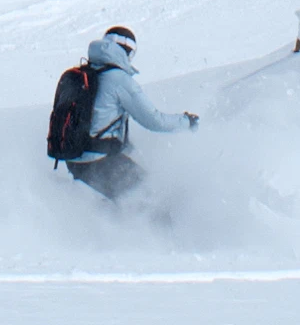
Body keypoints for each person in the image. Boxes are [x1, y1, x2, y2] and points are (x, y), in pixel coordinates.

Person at [55, 24, 195, 201]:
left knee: (129, 201)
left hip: (74, 160)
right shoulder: (119, 80)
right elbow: (154, 121)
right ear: (126, 52)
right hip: (99, 162)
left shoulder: (82, 74)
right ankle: (163, 228)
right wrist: (186, 122)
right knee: (153, 198)